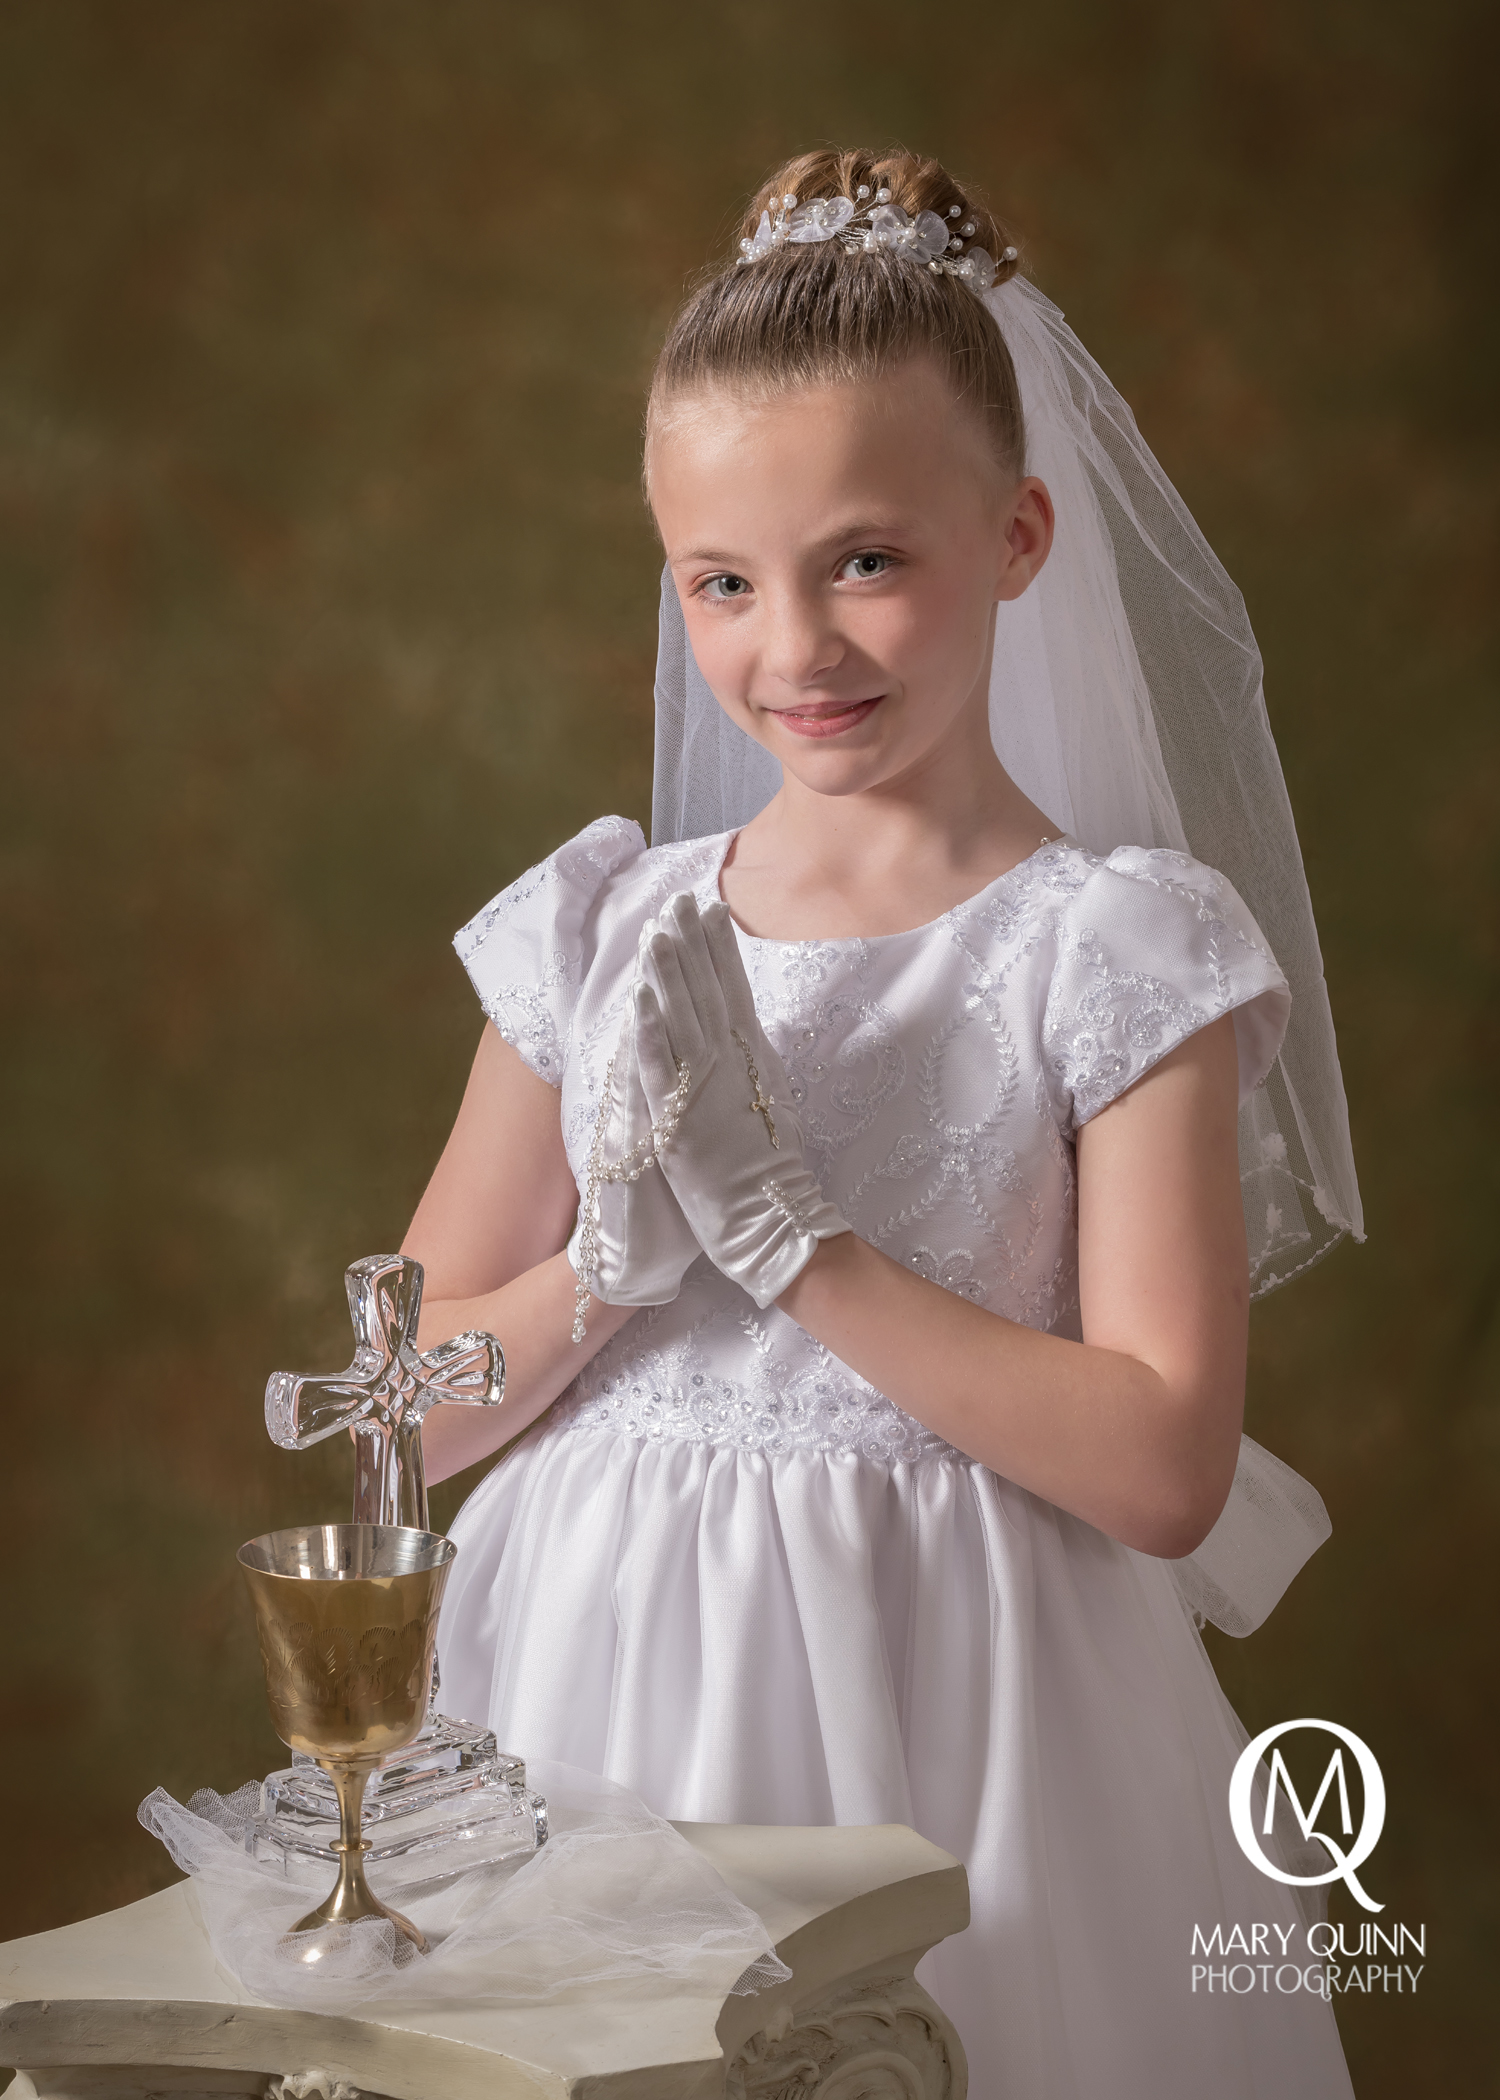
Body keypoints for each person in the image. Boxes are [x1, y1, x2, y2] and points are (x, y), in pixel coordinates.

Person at [402, 147, 1361, 2097]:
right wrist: (610, 1272)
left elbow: (1166, 1465)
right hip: (590, 1683)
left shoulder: (1110, 948)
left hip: (971, 1713)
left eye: (865, 561)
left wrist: (794, 1249)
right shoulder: (603, 928)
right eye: (722, 583)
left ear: (1017, 537)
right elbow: (405, 1413)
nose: (794, 651)